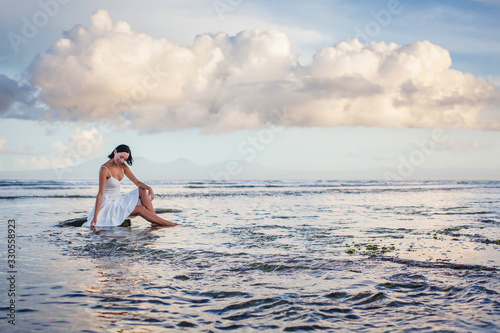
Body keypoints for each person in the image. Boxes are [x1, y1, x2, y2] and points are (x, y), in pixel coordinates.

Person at [82, 144, 178, 228]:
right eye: (121, 157)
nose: (122, 160)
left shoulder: (123, 166)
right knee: (141, 209)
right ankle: (170, 224)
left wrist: (150, 189)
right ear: (115, 151)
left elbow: (137, 182)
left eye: (125, 159)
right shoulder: (104, 169)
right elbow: (100, 194)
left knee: (142, 190)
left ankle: (155, 220)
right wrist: (95, 216)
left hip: (118, 200)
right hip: (108, 204)